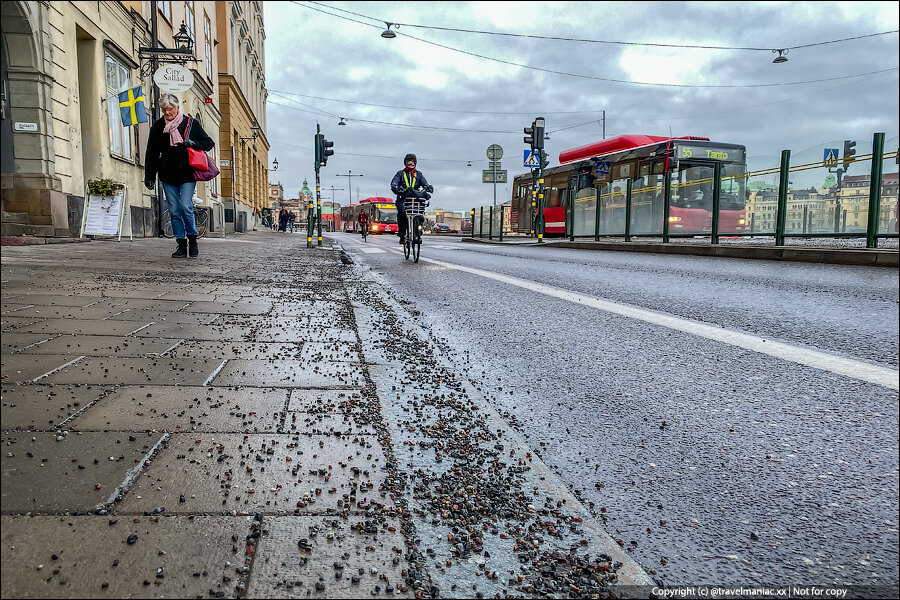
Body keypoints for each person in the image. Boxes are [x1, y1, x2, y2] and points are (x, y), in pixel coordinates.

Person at [144, 93, 214, 258]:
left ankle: (193, 239)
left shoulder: (190, 123)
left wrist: (193, 143)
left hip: (187, 173)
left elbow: (208, 143)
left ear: (177, 108)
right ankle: (181, 244)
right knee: (174, 210)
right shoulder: (158, 126)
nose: (167, 113)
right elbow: (151, 152)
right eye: (164, 109)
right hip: (167, 174)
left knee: (185, 206)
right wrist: (149, 175)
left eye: (170, 109)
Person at [390, 153, 432, 244]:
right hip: (403, 198)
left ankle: (418, 230)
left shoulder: (419, 174)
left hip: (416, 199)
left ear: (415, 163)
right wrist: (395, 187)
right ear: (405, 163)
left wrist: (428, 187)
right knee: (402, 214)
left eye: (413, 162)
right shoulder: (400, 173)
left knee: (420, 215)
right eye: (409, 161)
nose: (411, 163)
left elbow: (425, 183)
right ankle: (402, 235)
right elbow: (394, 183)